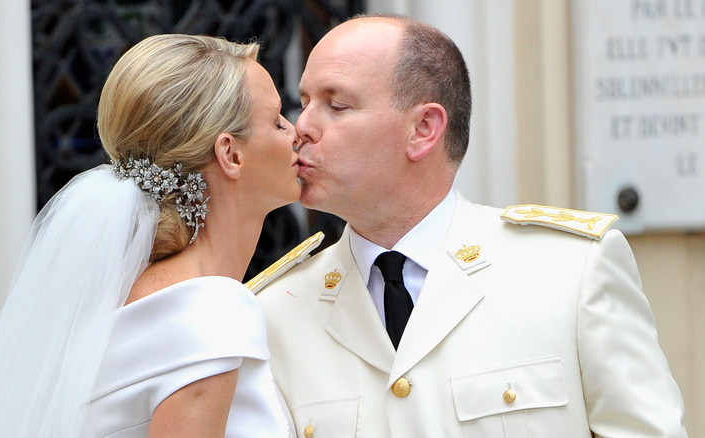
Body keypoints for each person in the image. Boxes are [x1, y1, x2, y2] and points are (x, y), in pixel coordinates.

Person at [256, 14, 689, 437]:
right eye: (305, 102)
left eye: (337, 105)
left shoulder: (571, 273)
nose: (301, 128)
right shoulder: (275, 310)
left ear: (424, 129)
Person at [0, 34, 299, 437]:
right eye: (278, 120)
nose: (297, 132)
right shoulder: (207, 308)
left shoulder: (122, 299)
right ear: (230, 154)